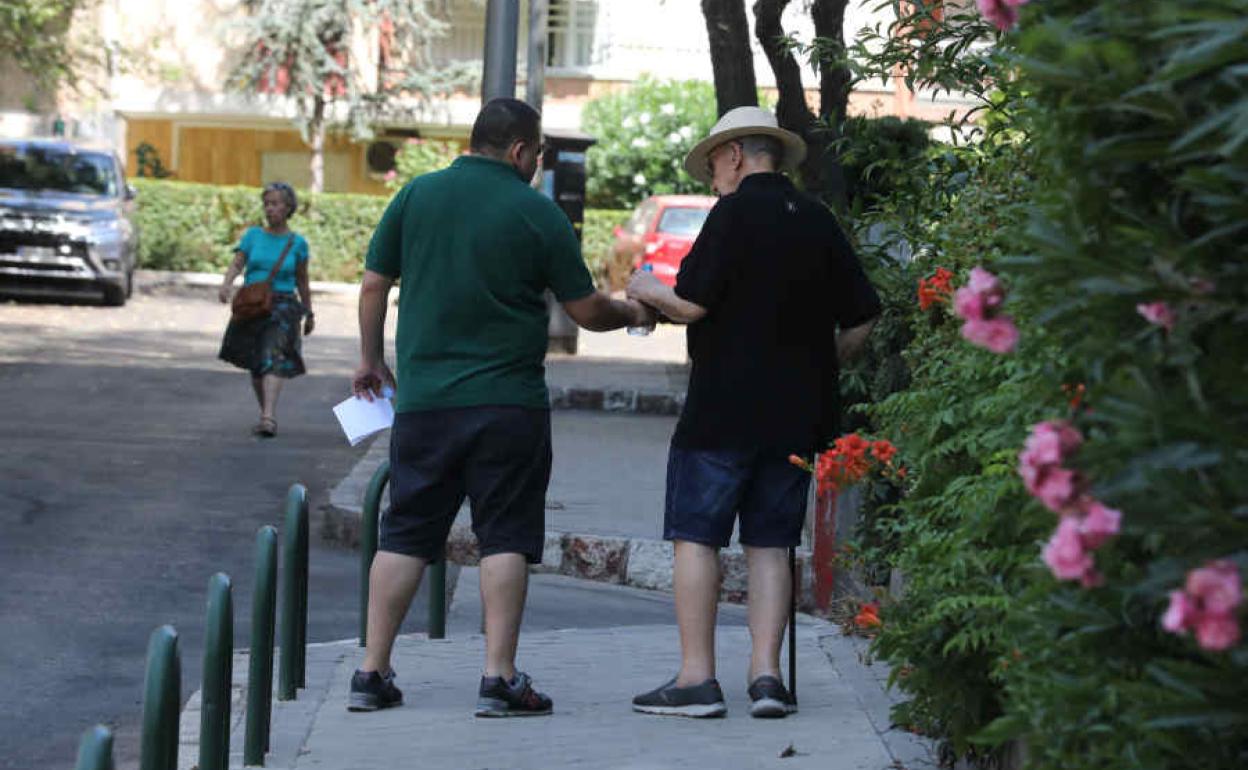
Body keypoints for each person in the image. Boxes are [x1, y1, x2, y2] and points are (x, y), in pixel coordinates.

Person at [348, 98, 655, 717]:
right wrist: (631, 312)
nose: (538, 164)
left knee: (405, 532)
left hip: (427, 402)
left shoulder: (416, 196)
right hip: (507, 406)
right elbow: (586, 311)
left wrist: (370, 360)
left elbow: (375, 282)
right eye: (537, 154)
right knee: (504, 537)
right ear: (519, 150)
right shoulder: (537, 214)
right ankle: (497, 678)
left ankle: (370, 671)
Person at [626, 106, 881, 719]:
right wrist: (824, 364)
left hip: (721, 413)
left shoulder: (732, 213)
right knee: (771, 544)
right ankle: (767, 679)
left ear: (736, 155)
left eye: (714, 161)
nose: (713, 174)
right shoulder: (817, 219)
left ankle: (696, 680)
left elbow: (690, 306)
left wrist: (644, 288)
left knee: (697, 538)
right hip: (798, 416)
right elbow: (865, 314)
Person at [218, 182, 314, 438]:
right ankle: (266, 413)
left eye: (275, 203)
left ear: (288, 207)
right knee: (256, 361)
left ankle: (268, 416)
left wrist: (309, 312)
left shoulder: (297, 243)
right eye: (267, 204)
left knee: (273, 356)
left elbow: (303, 281)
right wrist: (226, 285)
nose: (270, 209)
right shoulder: (252, 236)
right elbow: (237, 263)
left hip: (283, 306)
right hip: (252, 305)